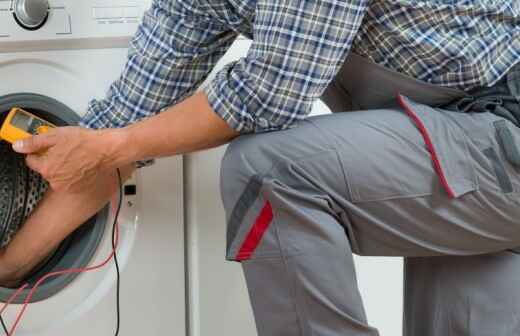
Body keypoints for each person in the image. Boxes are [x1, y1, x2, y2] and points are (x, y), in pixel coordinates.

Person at [2, 1, 520, 335]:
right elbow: (109, 140)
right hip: (455, 151)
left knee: (268, 170)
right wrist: (8, 269)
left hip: (500, 135)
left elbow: (269, 93)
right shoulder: (190, 8)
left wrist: (110, 146)